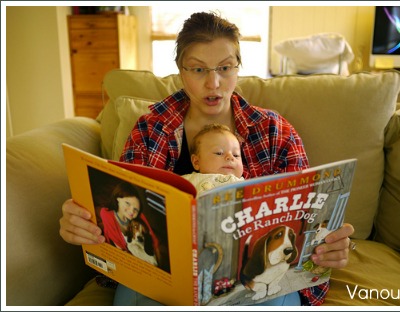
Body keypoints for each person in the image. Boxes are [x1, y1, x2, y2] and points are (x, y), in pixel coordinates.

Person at [59, 11, 355, 306]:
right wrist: (86, 226)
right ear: (180, 70)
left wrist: (327, 248)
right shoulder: (152, 129)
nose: (213, 83)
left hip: (251, 284)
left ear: (238, 67)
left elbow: (310, 223)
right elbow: (121, 227)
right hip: (164, 284)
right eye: (198, 70)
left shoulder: (274, 131)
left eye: (225, 68)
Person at [181, 123, 244, 194]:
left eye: (236, 155)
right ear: (196, 162)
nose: (230, 157)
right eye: (219, 153)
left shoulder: (247, 185)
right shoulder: (188, 181)